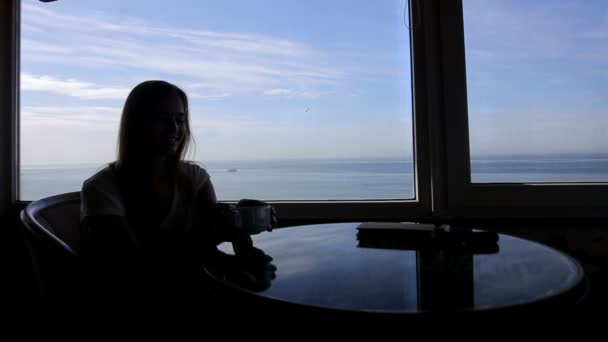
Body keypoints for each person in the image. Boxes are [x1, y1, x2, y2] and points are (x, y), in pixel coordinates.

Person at [78, 80, 274, 337]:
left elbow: (209, 249)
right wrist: (218, 237)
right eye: (162, 119)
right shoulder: (102, 189)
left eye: (180, 120)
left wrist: (241, 232)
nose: (174, 129)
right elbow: (133, 268)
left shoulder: (195, 179)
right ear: (136, 124)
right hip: (130, 313)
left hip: (194, 295)